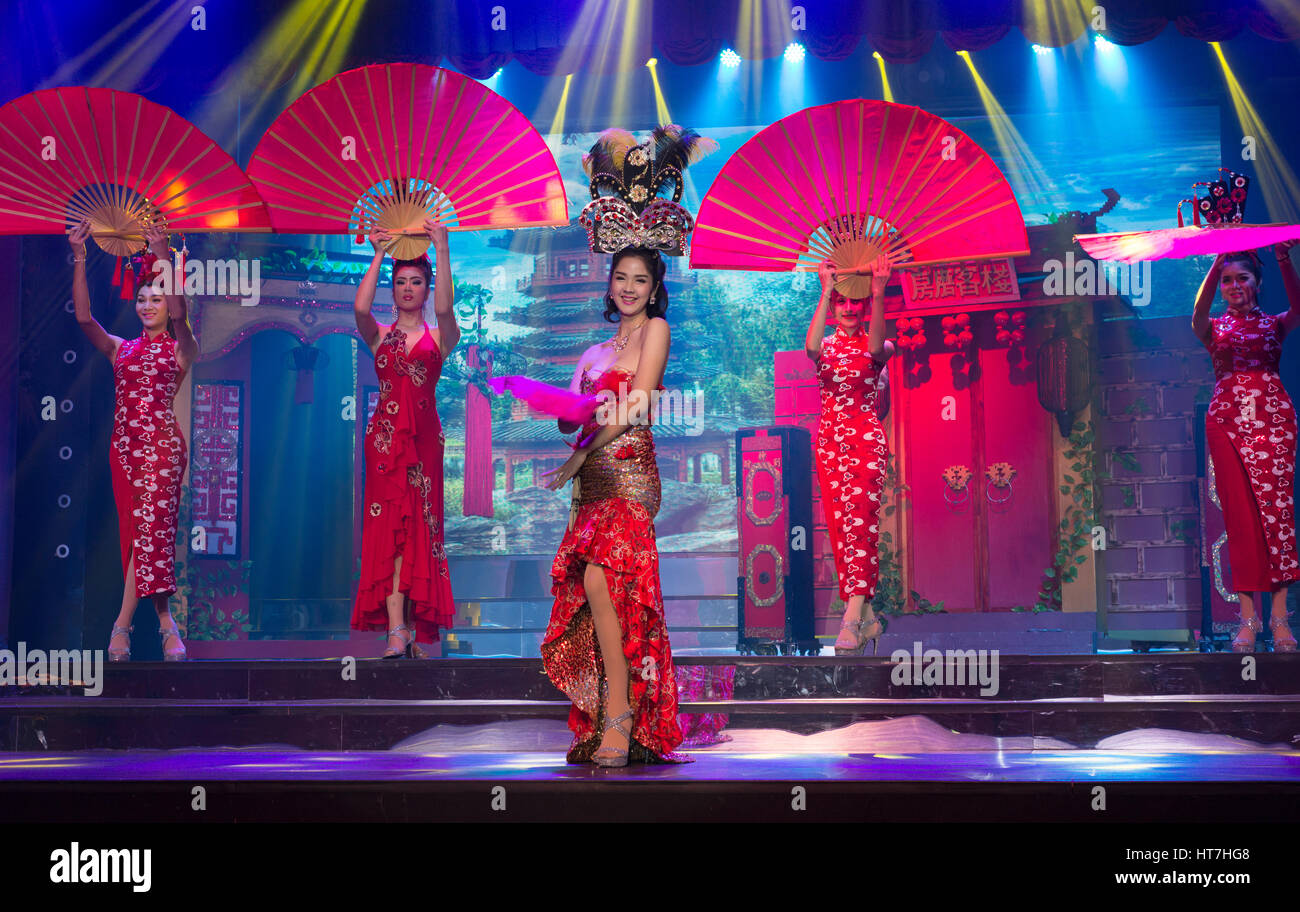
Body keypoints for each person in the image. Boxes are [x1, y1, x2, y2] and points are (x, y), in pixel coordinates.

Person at [540, 245, 686, 765]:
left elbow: (641, 401)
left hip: (630, 474)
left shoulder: (656, 331)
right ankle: (609, 711)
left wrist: (583, 453)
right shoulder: (592, 353)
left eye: (640, 280)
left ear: (654, 288)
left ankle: (622, 716)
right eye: (621, 278)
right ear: (609, 285)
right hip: (592, 482)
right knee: (599, 592)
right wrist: (560, 413)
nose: (629, 288)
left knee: (604, 580)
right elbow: (573, 422)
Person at [71, 221, 195, 661]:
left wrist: (162, 255)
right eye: (141, 299)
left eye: (155, 299)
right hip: (124, 449)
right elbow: (84, 318)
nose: (147, 305)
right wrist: (80, 254)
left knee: (149, 530)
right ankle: (166, 622)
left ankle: (121, 626)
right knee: (139, 534)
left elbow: (181, 317)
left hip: (162, 448)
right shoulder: (121, 349)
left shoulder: (182, 348)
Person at [351, 219, 459, 657]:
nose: (408, 288)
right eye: (401, 282)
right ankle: (396, 628)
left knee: (420, 532)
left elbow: (449, 310)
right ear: (392, 290)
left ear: (427, 289)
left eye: (416, 282)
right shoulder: (380, 337)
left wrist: (443, 248)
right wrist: (378, 253)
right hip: (384, 445)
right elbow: (359, 310)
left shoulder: (439, 337)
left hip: (426, 444)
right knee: (389, 532)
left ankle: (409, 629)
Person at [1193, 242, 1300, 652]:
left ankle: (1280, 618)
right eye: (1227, 280)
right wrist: (1217, 259)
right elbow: (1197, 314)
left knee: (1276, 513)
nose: (1234, 285)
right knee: (1240, 520)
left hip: (1273, 419)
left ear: (1257, 282)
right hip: (1227, 422)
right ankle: (1248, 620)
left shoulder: (1275, 324)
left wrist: (1286, 258)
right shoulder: (1214, 328)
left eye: (1242, 278)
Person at [805, 254, 894, 655]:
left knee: (861, 525)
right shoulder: (824, 345)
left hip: (865, 441)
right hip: (829, 443)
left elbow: (876, 346)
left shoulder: (880, 344)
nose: (848, 309)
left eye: (854, 303)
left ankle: (851, 616)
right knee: (842, 530)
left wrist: (878, 289)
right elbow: (809, 348)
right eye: (842, 302)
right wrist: (825, 288)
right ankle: (870, 620)